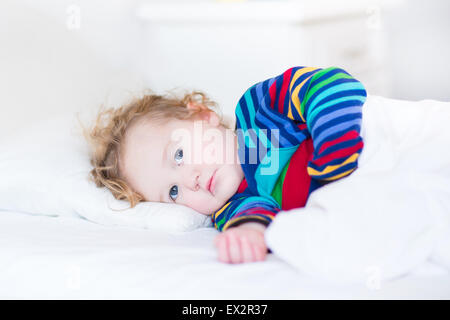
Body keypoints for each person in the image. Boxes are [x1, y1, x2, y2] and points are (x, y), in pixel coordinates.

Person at [84, 66, 367, 264]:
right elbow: (255, 216)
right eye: (172, 192)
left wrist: (335, 145)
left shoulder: (260, 113)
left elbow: (330, 85)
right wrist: (247, 233)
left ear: (203, 116)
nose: (189, 181)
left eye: (179, 155)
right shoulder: (231, 207)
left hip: (379, 145)